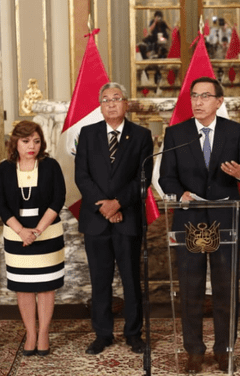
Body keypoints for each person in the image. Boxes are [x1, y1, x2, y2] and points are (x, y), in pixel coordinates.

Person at [159, 76, 240, 373]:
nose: (198, 102)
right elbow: (166, 176)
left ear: (219, 101)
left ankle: (224, 349)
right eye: (194, 96)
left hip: (225, 223)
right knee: (190, 289)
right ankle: (193, 351)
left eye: (205, 96)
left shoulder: (235, 132)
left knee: (225, 290)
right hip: (189, 221)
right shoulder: (177, 134)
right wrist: (181, 193)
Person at [75, 82, 153, 355]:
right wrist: (104, 208)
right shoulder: (87, 134)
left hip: (128, 219)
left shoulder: (142, 135)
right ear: (100, 106)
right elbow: (82, 176)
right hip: (96, 221)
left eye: (116, 99)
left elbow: (143, 180)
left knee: (131, 280)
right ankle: (103, 334)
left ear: (126, 104)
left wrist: (118, 203)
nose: (110, 104)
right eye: (105, 99)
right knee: (100, 280)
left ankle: (134, 333)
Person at [0, 121, 66, 357]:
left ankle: (43, 332)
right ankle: (31, 333)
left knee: (46, 287)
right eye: (26, 141)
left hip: (47, 234)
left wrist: (37, 231)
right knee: (23, 288)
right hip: (16, 236)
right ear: (15, 142)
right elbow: (2, 204)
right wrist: (21, 231)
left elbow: (58, 199)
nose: (31, 146)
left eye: (36, 140)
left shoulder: (51, 166)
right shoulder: (5, 168)